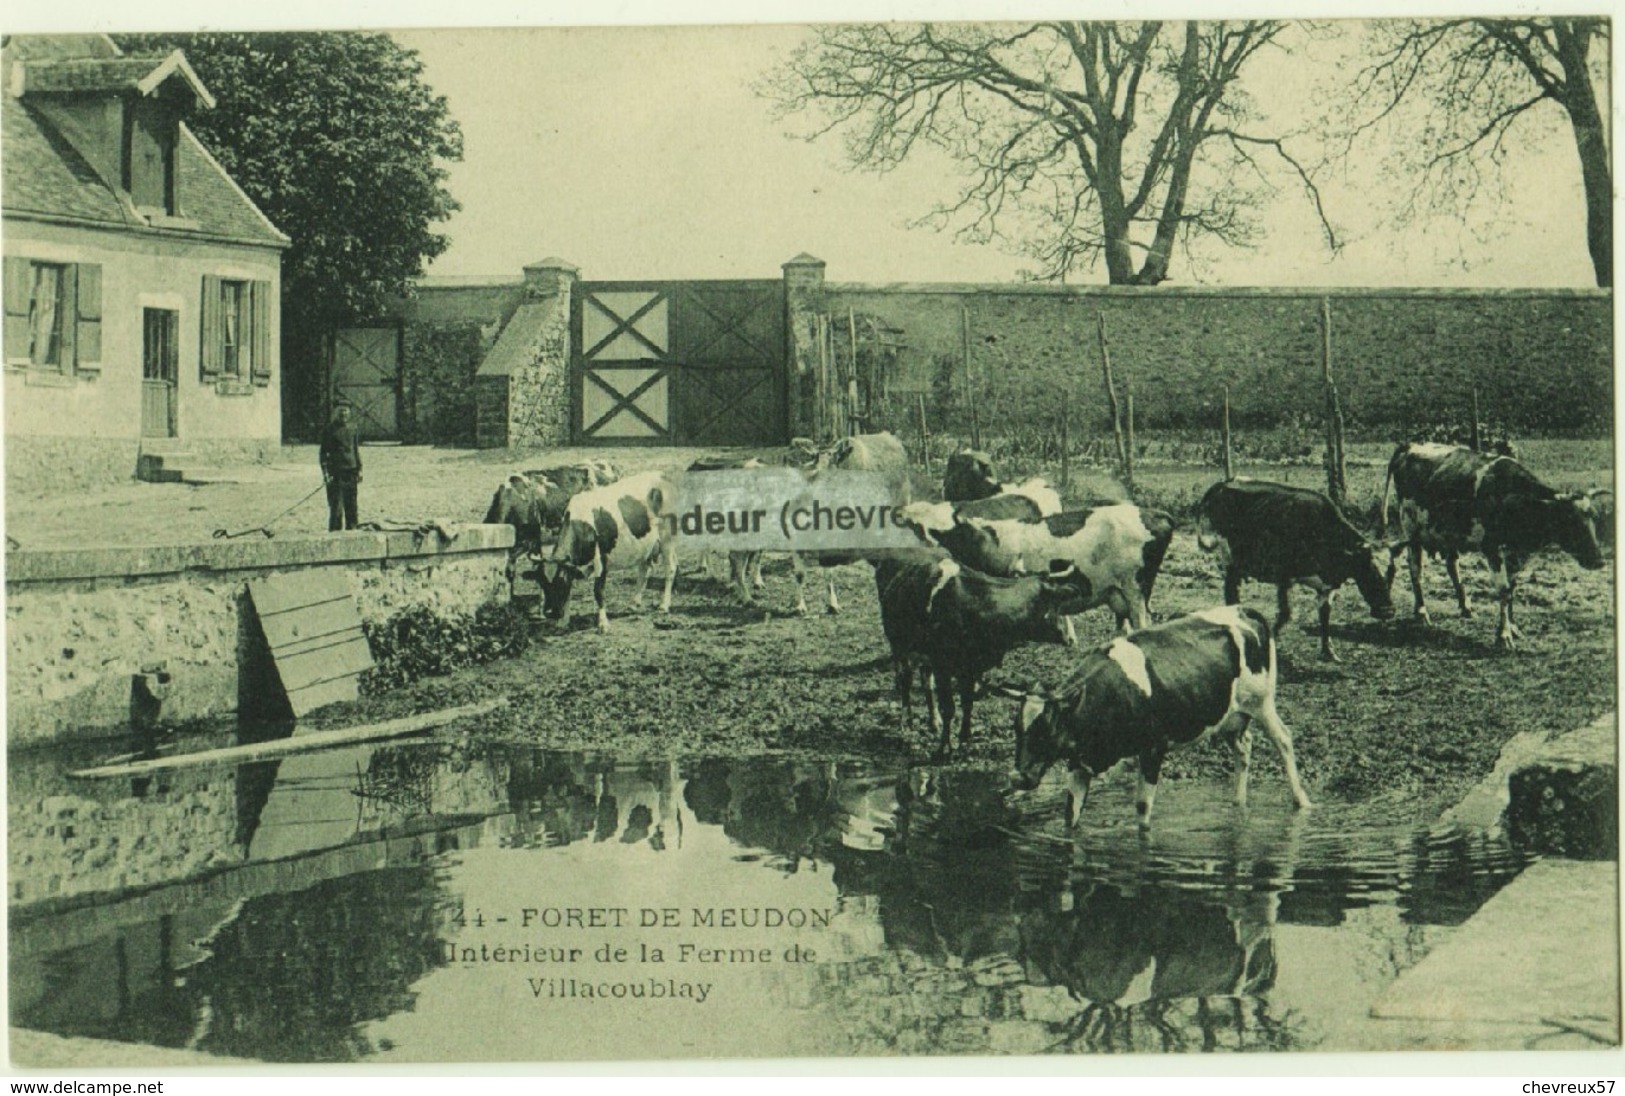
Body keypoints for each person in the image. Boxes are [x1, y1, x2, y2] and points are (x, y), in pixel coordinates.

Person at [319, 402, 362, 531]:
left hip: (351, 472)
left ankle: (352, 532)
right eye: (341, 411)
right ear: (335, 413)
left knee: (352, 506)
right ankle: (335, 535)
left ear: (349, 413)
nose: (343, 414)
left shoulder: (353, 429)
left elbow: (355, 450)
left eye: (346, 411)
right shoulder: (328, 430)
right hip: (335, 474)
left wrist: (359, 470)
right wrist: (326, 473)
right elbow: (323, 454)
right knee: (336, 508)